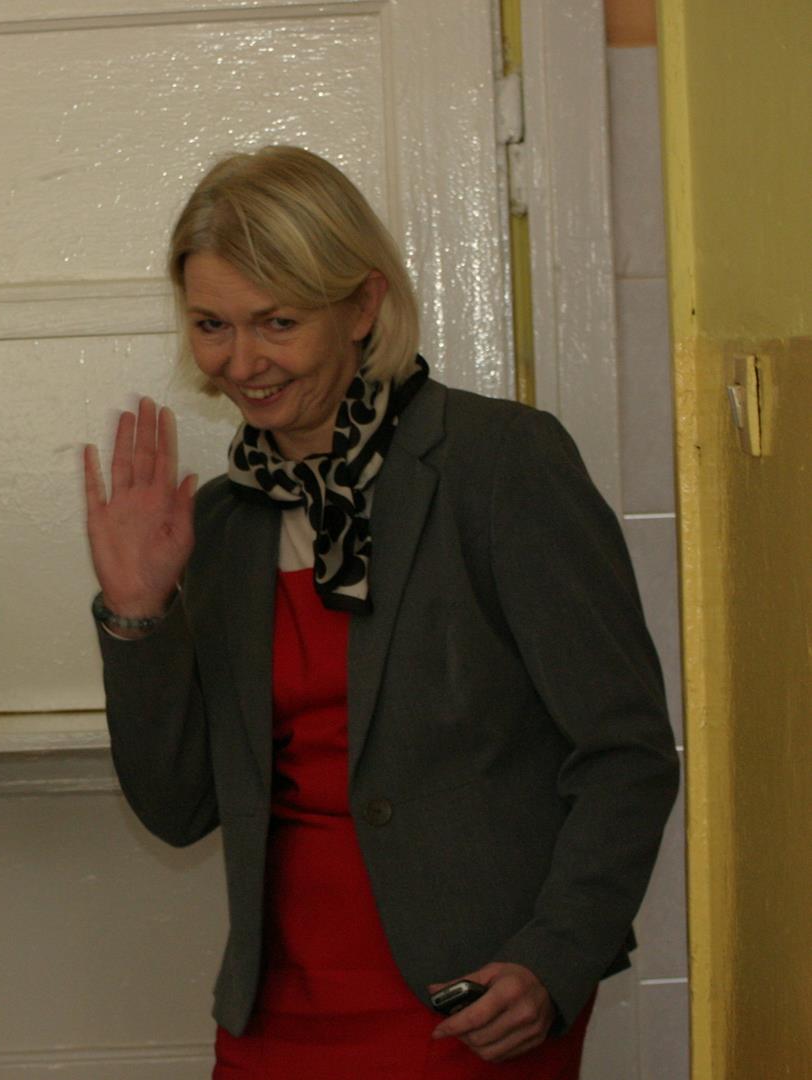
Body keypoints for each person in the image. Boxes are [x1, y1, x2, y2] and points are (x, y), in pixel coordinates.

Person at [82, 146, 679, 1078]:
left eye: (278, 321)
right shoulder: (222, 525)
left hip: (472, 1006)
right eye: (211, 325)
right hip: (275, 1011)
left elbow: (626, 752)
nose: (242, 361)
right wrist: (136, 613)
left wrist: (557, 957)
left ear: (362, 306)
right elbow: (180, 810)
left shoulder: (498, 464)